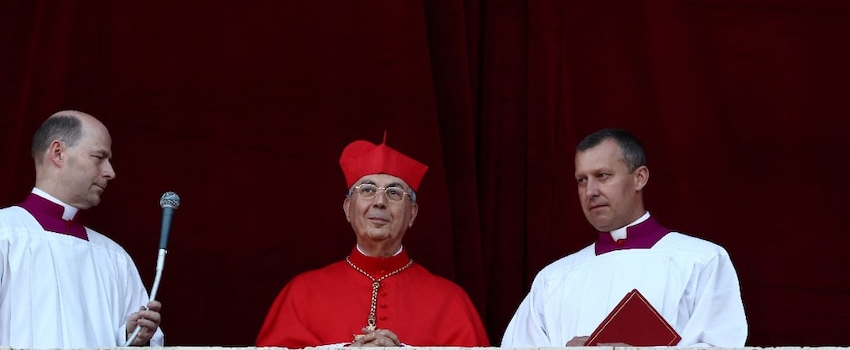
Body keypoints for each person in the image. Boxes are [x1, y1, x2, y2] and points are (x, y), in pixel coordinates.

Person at [0, 110, 164, 348]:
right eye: (98, 157)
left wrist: (129, 337)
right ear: (58, 153)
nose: (110, 172)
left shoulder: (115, 257)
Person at [501, 128, 747, 347]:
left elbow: (720, 346)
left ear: (639, 178)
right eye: (581, 180)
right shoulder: (553, 279)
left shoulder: (700, 261)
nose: (590, 192)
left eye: (603, 176)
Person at [256, 136, 490, 348]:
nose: (379, 201)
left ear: (412, 214)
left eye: (394, 192)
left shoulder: (450, 302)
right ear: (348, 208)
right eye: (367, 189)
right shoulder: (301, 294)